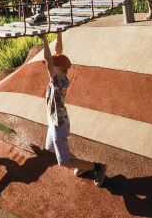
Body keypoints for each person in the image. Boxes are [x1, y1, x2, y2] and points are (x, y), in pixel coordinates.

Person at [39, 32, 106, 186]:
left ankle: (97, 167)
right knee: (50, 147)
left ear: (60, 68)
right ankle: (79, 165)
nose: (49, 67)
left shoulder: (58, 81)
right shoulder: (60, 76)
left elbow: (48, 60)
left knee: (63, 161)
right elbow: (58, 53)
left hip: (58, 124)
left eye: (54, 66)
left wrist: (44, 40)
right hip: (54, 121)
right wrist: (59, 35)